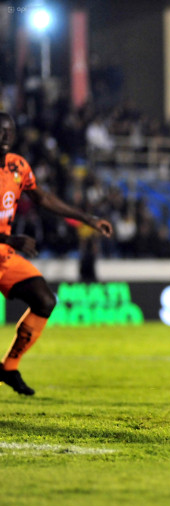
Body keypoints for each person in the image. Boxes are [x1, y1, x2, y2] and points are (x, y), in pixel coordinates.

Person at [0, 111, 113, 395]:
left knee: (45, 300)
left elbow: (43, 197)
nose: (4, 137)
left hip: (4, 254)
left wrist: (86, 218)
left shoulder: (18, 166)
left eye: (8, 132)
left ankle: (9, 367)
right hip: (7, 243)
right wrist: (11, 238)